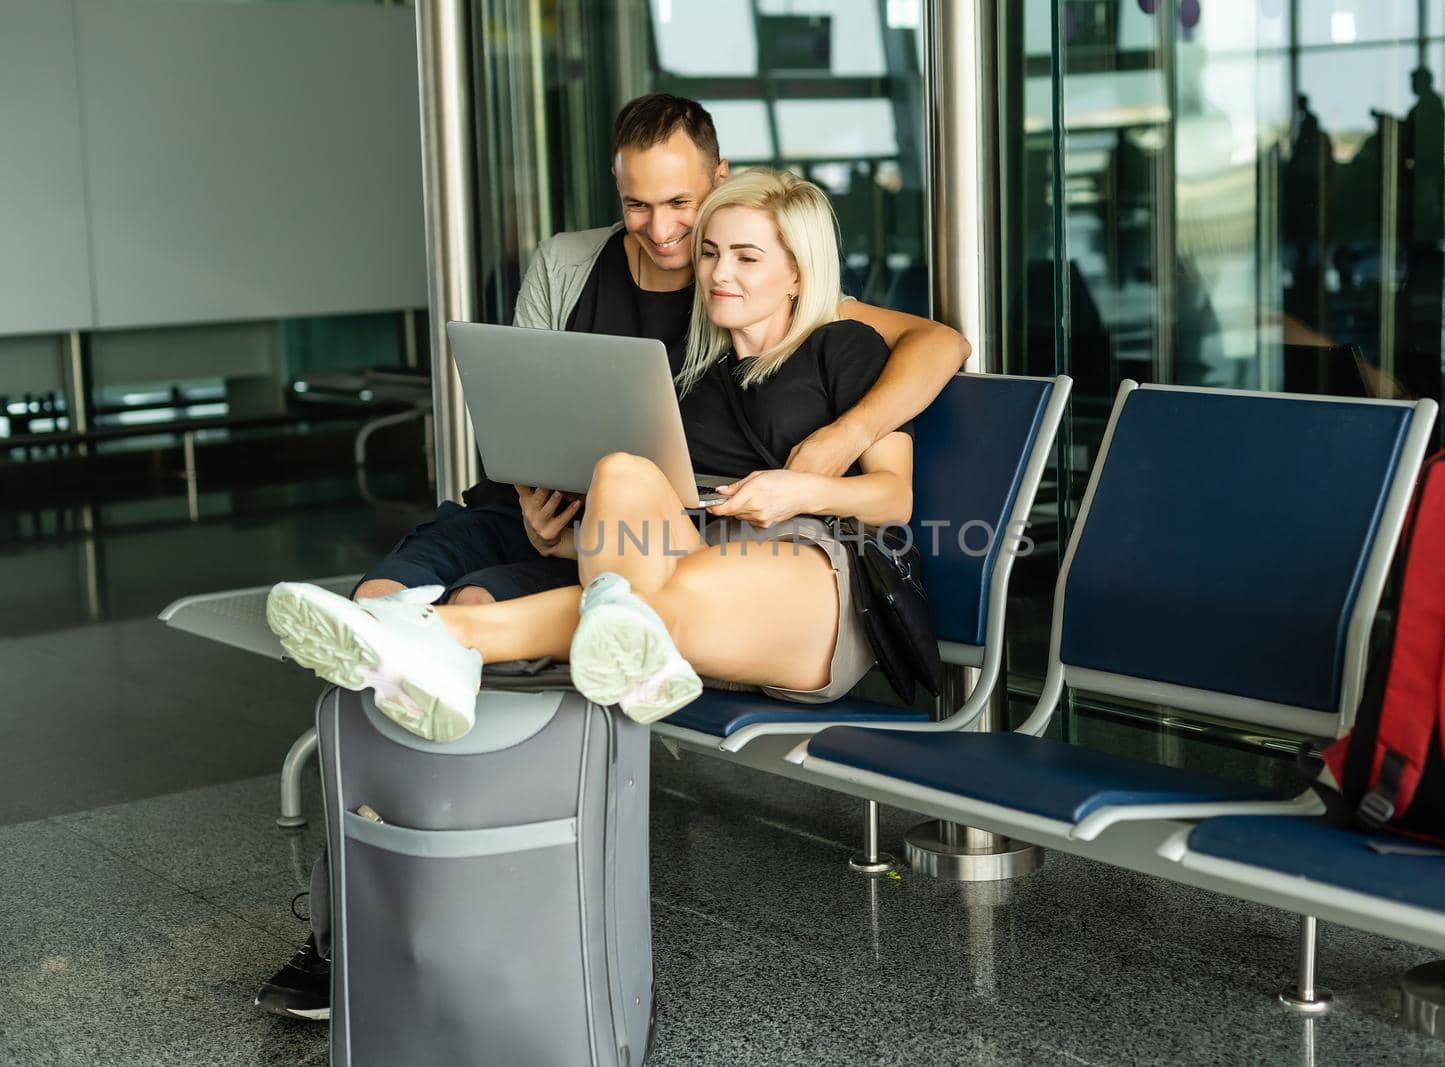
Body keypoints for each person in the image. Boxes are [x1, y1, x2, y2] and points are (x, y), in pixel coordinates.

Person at [253, 92, 965, 1021]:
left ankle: (438, 634)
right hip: (626, 535)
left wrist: (818, 468)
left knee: (600, 603)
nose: (702, 258)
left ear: (785, 260)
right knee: (593, 516)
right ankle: (369, 884)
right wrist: (577, 525)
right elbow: (613, 460)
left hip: (779, 558)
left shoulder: (834, 336)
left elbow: (901, 462)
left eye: (727, 245)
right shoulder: (672, 337)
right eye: (705, 248)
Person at [269, 166, 912, 736]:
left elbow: (894, 497)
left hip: (815, 577)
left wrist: (798, 489)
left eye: (747, 258)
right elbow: (658, 531)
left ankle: (433, 638)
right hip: (699, 566)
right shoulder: (693, 377)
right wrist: (570, 545)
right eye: (711, 253)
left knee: (647, 604)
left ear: (797, 270)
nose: (719, 274)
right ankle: (598, 649)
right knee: (622, 472)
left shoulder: (844, 346)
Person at [354, 92, 967, 609]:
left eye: (681, 204)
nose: (662, 229)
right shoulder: (567, 263)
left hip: (637, 538)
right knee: (379, 597)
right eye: (637, 206)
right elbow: (522, 412)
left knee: (474, 606)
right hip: (536, 516)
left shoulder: (743, 288)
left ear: (720, 182)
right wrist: (529, 503)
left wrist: (848, 435)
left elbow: (939, 342)